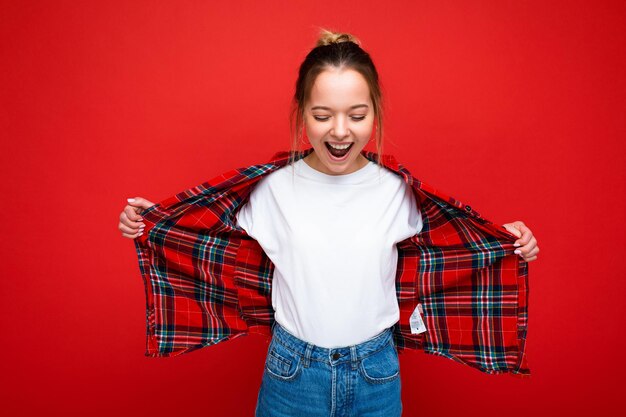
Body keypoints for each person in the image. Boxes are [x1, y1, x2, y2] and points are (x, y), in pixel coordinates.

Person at [118, 29, 539, 417]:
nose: (340, 131)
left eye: (357, 115)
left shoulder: (398, 191)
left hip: (376, 373)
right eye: (323, 115)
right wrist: (148, 221)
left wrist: (511, 241)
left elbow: (459, 246)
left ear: (376, 111)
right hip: (292, 374)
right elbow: (196, 231)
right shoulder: (272, 189)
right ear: (301, 113)